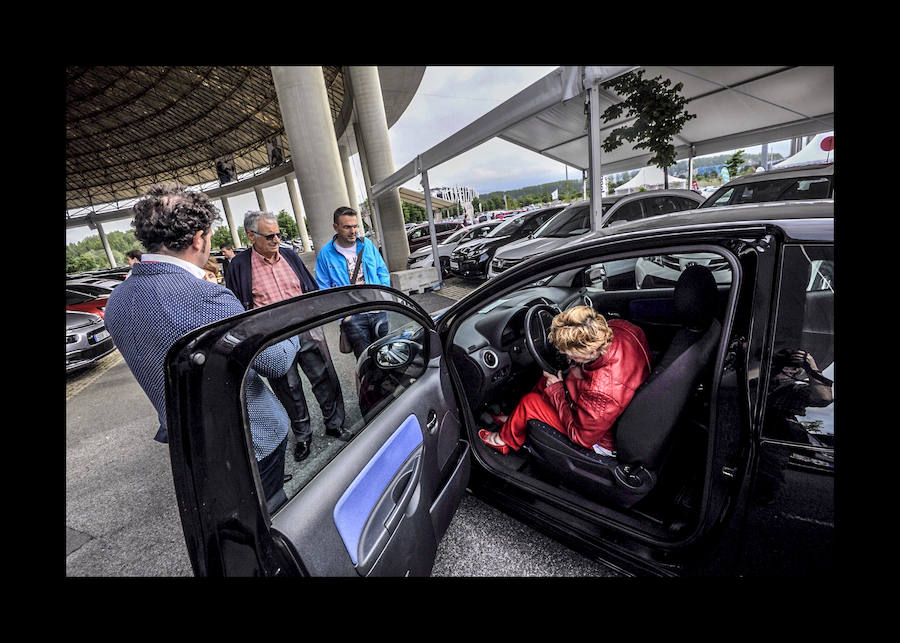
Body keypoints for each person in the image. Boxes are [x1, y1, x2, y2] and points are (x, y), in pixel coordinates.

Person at [104, 184, 300, 510]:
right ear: (198, 238)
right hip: (251, 439)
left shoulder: (118, 300)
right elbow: (276, 362)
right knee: (268, 515)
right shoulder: (203, 296)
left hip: (191, 444)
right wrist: (289, 318)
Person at [225, 210, 350, 462]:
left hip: (306, 328)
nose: (276, 240)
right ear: (251, 236)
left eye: (278, 234)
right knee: (288, 389)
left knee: (324, 376)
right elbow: (236, 307)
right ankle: (303, 436)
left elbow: (310, 289)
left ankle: (335, 424)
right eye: (269, 236)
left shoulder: (291, 256)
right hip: (273, 338)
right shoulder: (239, 266)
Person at [478, 306, 651, 456]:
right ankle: (515, 420)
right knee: (547, 379)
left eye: (570, 353)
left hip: (599, 441)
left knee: (530, 403)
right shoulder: (621, 327)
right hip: (605, 410)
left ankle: (502, 441)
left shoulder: (601, 390)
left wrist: (557, 391)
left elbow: (581, 437)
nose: (565, 356)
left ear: (590, 352)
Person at [314, 206, 391, 358]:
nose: (353, 231)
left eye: (355, 226)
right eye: (347, 227)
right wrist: (344, 316)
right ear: (335, 227)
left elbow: (382, 271)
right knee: (365, 360)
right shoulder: (326, 253)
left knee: (387, 355)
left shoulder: (366, 244)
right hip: (353, 317)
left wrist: (383, 298)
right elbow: (323, 289)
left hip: (377, 309)